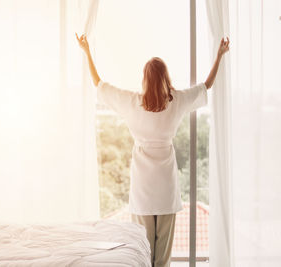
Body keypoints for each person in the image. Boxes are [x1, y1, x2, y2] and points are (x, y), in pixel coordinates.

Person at [76, 33, 229, 267]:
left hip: (143, 188)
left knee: (142, 251)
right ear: (165, 78)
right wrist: (219, 56)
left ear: (145, 79)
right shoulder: (176, 101)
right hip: (166, 188)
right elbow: (206, 86)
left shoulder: (131, 103)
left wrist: (87, 52)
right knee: (162, 257)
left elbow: (99, 84)